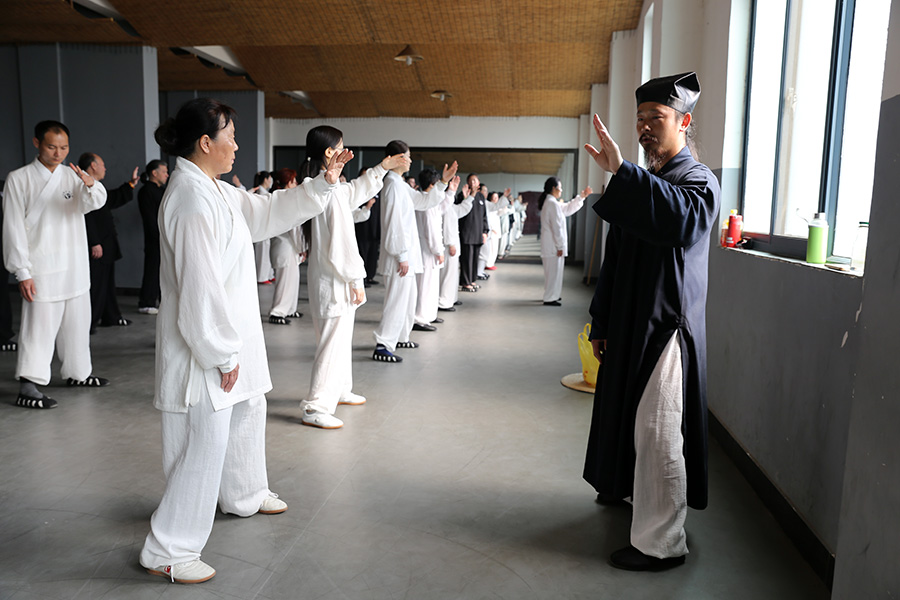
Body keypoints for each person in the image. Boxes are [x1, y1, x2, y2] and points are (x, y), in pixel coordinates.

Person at [138, 97, 350, 584]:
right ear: (206, 142)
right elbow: (198, 285)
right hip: (206, 344)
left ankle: (243, 494)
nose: (237, 145)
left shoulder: (216, 189)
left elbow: (269, 210)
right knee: (202, 443)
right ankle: (168, 548)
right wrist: (218, 351)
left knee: (248, 411)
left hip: (234, 335)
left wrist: (324, 182)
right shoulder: (190, 198)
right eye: (230, 136)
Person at [581, 72, 720, 572]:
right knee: (626, 416)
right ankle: (622, 487)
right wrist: (601, 322)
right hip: (631, 322)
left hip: (666, 327)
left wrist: (624, 175)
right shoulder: (649, 182)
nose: (644, 128)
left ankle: (662, 543)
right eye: (639, 119)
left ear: (684, 121)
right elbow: (616, 258)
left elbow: (681, 221)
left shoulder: (697, 181)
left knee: (659, 429)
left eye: (655, 119)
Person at [299, 126, 410, 429]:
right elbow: (343, 242)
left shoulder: (327, 186)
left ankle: (340, 389)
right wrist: (355, 279)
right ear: (329, 153)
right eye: (341, 147)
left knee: (339, 339)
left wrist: (383, 167)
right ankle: (315, 405)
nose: (346, 151)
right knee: (331, 343)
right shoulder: (325, 187)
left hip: (330, 276)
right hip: (335, 278)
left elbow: (356, 191)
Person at [2, 120, 109, 410]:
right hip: (41, 267)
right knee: (39, 328)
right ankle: (29, 383)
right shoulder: (19, 178)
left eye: (64, 147)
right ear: (37, 143)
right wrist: (21, 271)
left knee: (77, 324)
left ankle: (78, 373)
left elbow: (95, 202)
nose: (58, 153)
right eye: (52, 146)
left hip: (74, 264)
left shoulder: (73, 176)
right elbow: (12, 228)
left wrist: (90, 184)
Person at [372, 140, 457, 363]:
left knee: (408, 300)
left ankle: (400, 336)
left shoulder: (400, 185)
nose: (410, 160)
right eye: (407, 156)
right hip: (400, 256)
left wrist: (442, 184)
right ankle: (383, 344)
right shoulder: (391, 185)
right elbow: (393, 223)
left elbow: (424, 202)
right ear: (398, 158)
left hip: (407, 255)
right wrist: (401, 255)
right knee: (396, 300)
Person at [81, 153, 139, 332]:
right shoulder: (83, 186)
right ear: (93, 166)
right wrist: (94, 242)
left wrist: (130, 185)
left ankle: (110, 316)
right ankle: (88, 323)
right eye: (102, 164)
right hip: (96, 245)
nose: (105, 168)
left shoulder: (96, 187)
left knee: (106, 283)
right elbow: (86, 216)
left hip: (105, 244)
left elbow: (109, 199)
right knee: (96, 285)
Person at [413, 168, 460, 330]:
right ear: (432, 185)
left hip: (426, 249)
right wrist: (438, 251)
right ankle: (420, 318)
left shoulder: (427, 200)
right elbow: (432, 231)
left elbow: (441, 209)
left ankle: (429, 315)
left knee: (430, 286)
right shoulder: (427, 202)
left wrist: (451, 192)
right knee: (425, 285)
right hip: (428, 251)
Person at [538, 177, 591, 306]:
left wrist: (581, 197)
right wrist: (560, 245)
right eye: (560, 188)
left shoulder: (552, 203)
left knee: (553, 273)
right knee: (553, 273)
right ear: (553, 189)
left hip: (551, 245)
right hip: (553, 246)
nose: (561, 191)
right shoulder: (552, 204)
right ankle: (550, 297)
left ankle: (552, 295)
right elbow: (557, 228)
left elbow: (567, 208)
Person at [267, 168, 307, 324]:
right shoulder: (287, 200)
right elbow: (294, 228)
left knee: (292, 280)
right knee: (285, 281)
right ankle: (277, 312)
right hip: (286, 246)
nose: (296, 183)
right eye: (294, 181)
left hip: (284, 246)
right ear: (289, 182)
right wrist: (302, 248)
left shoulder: (277, 197)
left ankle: (289, 309)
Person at [137, 159, 168, 315]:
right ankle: (146, 302)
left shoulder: (161, 190)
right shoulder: (146, 191)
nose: (166, 175)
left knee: (162, 270)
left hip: (163, 237)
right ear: (154, 173)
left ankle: (160, 300)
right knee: (152, 269)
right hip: (154, 237)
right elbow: (150, 219)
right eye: (164, 172)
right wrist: (159, 236)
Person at [437, 182, 473, 312]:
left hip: (452, 244)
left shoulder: (450, 206)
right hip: (448, 245)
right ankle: (444, 301)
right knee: (447, 274)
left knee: (452, 274)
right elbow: (446, 227)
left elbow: (462, 209)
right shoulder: (445, 207)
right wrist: (450, 243)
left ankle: (450, 298)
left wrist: (468, 198)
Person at [457, 174, 488, 292]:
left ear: (479, 182)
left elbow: (484, 216)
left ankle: (472, 279)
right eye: (470, 181)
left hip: (478, 232)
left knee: (475, 258)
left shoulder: (480, 197)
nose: (473, 183)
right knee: (467, 259)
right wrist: (465, 197)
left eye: (474, 180)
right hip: (467, 233)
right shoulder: (463, 195)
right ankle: (465, 282)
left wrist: (485, 231)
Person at [250, 170, 275, 284]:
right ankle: (261, 276)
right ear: (265, 180)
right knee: (262, 252)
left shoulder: (264, 191)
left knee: (266, 251)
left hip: (265, 224)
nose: (270, 181)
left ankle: (268, 274)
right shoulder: (260, 192)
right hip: (261, 225)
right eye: (269, 179)